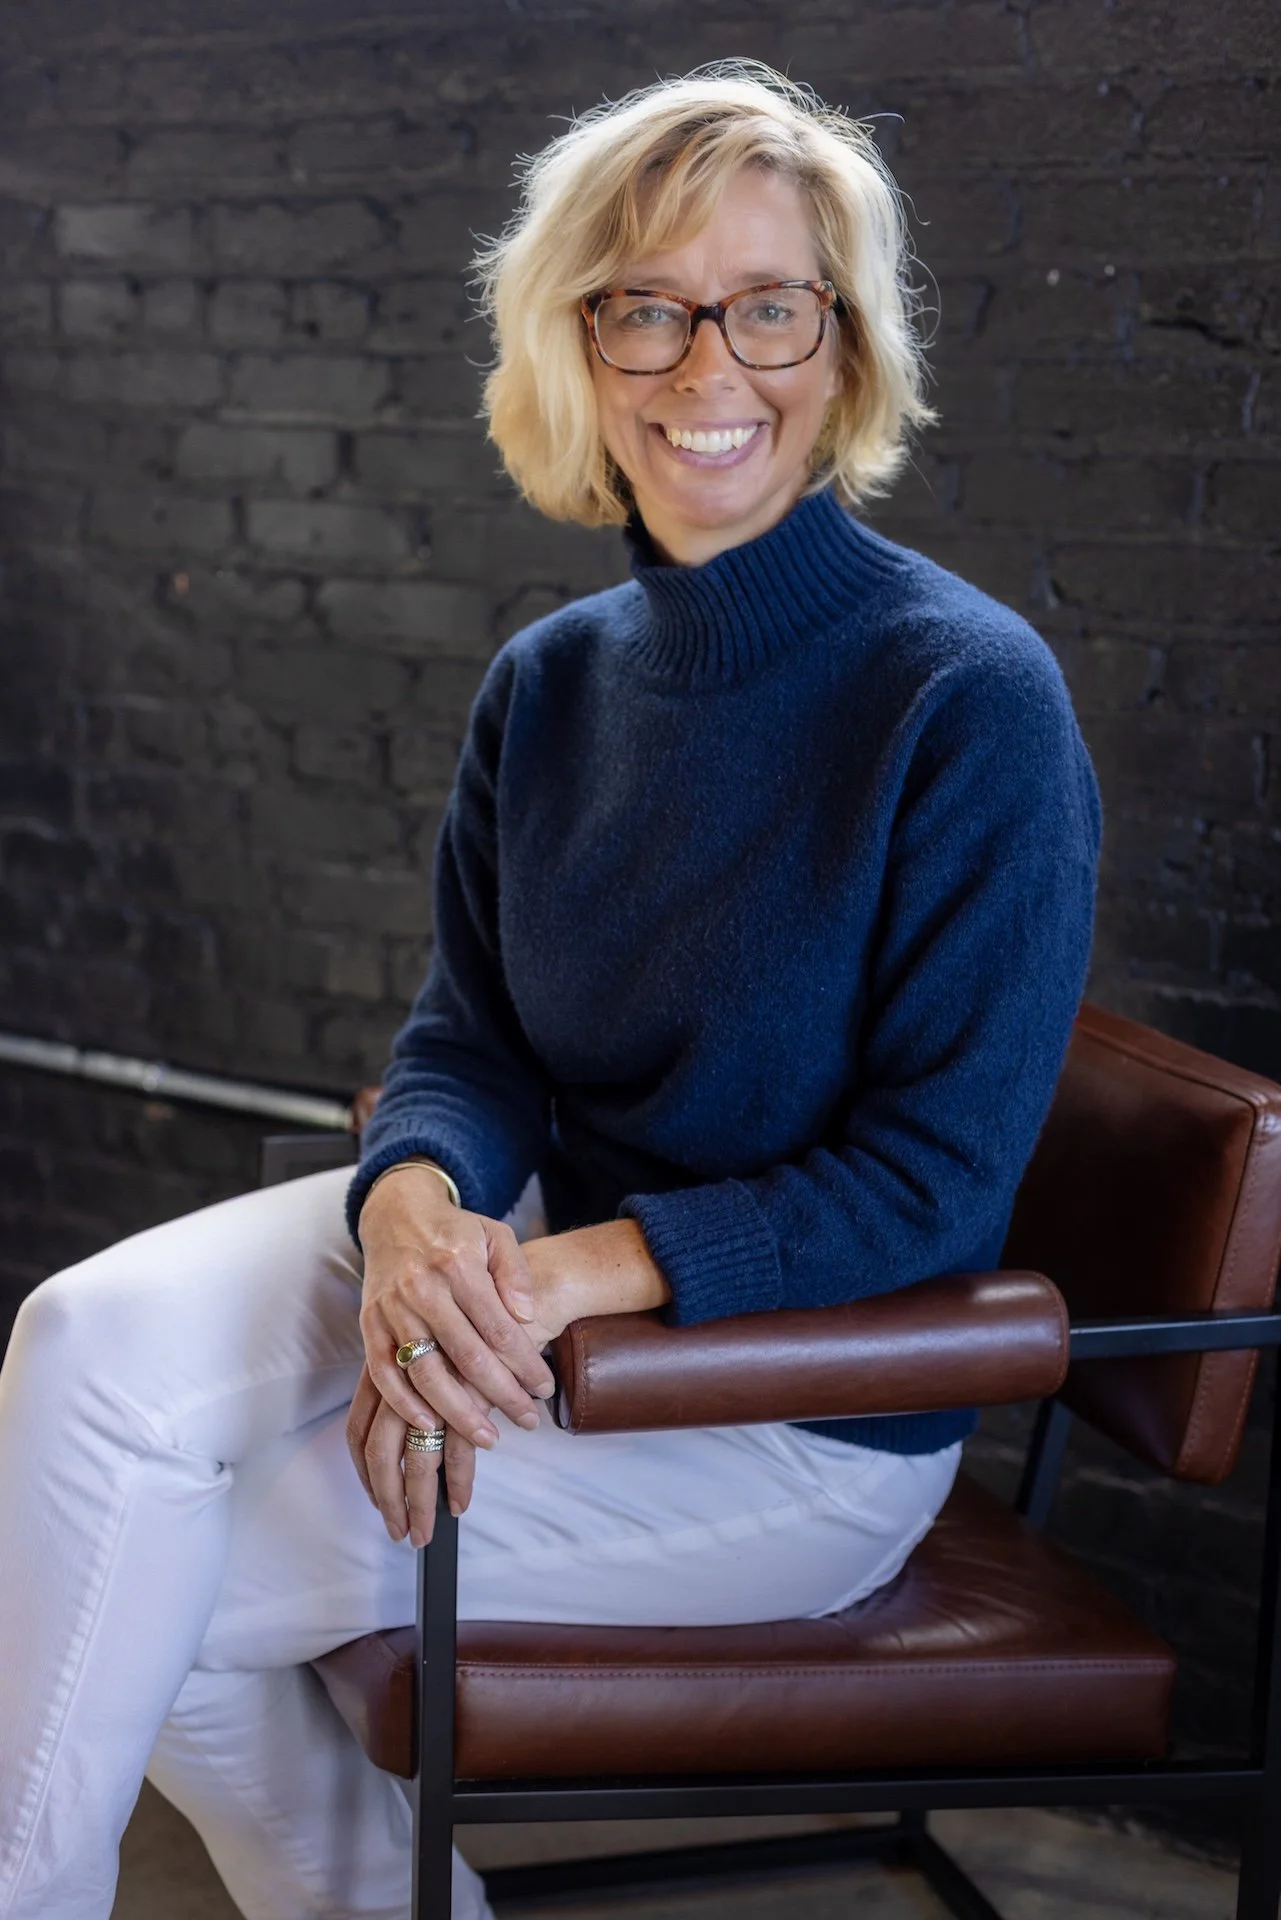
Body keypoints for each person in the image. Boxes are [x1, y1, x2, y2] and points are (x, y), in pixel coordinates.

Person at [0, 57, 1102, 1920]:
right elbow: (471, 1042)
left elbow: (934, 1188)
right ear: (576, 346)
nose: (706, 368)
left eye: (766, 307)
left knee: (140, 1575)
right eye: (647, 310)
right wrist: (420, 1208)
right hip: (534, 1265)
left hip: (796, 1413)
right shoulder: (557, 680)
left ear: (839, 348)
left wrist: (528, 1286)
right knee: (82, 1357)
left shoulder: (967, 700)